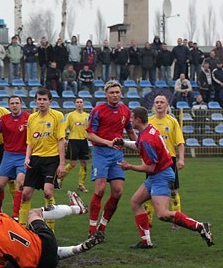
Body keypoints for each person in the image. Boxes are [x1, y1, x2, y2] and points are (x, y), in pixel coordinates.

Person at [117, 106, 213, 248]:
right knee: (135, 202)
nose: (130, 121)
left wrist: (129, 166)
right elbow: (139, 145)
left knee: (163, 214)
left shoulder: (147, 139)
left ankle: (199, 226)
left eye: (131, 118)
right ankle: (146, 241)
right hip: (158, 174)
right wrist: (124, 143)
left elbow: (150, 167)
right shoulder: (148, 130)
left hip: (160, 175)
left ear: (137, 120)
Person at [0, 194, 103, 268]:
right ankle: (75, 209)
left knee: (25, 256)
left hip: (42, 266)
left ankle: (78, 246)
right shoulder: (1, 217)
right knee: (34, 213)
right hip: (47, 242)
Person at [86, 80, 136, 236]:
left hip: (117, 155)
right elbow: (90, 134)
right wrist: (108, 142)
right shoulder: (98, 110)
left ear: (121, 94)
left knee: (118, 192)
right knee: (100, 189)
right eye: (112, 93)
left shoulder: (125, 111)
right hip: (101, 152)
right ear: (106, 94)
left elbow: (130, 132)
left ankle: (102, 226)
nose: (115, 95)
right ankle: (92, 229)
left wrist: (139, 145)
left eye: (117, 92)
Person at [20, 89, 66, 231]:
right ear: (35, 101)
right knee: (25, 194)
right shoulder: (32, 118)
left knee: (48, 192)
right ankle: (23, 228)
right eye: (39, 99)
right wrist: (27, 158)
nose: (41, 102)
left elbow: (61, 140)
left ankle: (50, 229)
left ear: (50, 102)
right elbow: (30, 142)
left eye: (44, 99)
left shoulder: (57, 116)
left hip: (51, 159)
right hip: (35, 159)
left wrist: (62, 164)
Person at [144, 95, 185, 227]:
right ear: (154, 105)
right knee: (149, 191)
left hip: (169, 160)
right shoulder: (149, 122)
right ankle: (148, 220)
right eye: (157, 102)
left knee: (173, 191)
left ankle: (177, 220)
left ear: (167, 105)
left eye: (162, 102)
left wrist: (181, 159)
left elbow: (180, 142)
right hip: (153, 161)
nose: (159, 104)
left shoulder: (172, 121)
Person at [0, 95, 30, 221]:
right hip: (8, 155)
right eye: (12, 103)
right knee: (0, 185)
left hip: (23, 155)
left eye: (17, 103)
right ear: (9, 105)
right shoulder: (4, 119)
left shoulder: (29, 118)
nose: (14, 105)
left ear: (21, 104)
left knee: (20, 183)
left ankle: (16, 215)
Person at [59, 98, 90, 193]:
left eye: (81, 102)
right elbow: (64, 128)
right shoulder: (70, 115)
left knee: (84, 163)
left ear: (83, 104)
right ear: (75, 104)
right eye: (77, 102)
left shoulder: (87, 116)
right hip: (73, 141)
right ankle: (60, 179)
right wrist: (63, 138)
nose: (79, 104)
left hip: (84, 141)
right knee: (72, 163)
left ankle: (81, 185)